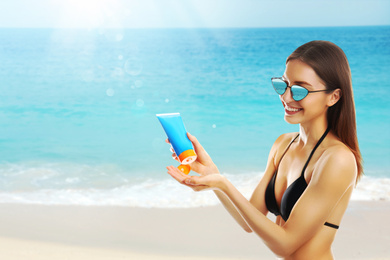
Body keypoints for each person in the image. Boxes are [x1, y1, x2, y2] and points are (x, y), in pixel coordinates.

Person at [166, 40, 363, 259]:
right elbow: (249, 221)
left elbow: (285, 244)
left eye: (300, 90)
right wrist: (214, 176)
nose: (286, 97)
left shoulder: (338, 159)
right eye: (284, 85)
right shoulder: (283, 145)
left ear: (333, 96)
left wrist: (224, 184)